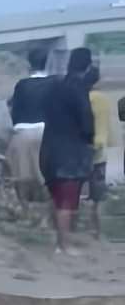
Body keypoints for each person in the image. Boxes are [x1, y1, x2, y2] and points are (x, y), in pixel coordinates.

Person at [40, 47, 96, 255]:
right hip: (69, 153)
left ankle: (57, 243)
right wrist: (90, 142)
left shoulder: (55, 87)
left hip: (48, 149)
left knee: (57, 198)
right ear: (87, 65)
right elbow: (87, 124)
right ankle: (64, 246)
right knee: (67, 201)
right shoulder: (78, 88)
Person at [6, 47, 53, 205]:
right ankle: (50, 215)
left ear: (28, 65)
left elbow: (11, 108)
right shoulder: (55, 83)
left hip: (23, 134)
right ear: (48, 63)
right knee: (49, 178)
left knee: (22, 178)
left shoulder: (22, 85)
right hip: (48, 134)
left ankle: (26, 213)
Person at [87, 63, 114, 240]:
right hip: (100, 151)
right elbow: (107, 126)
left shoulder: (83, 98)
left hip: (82, 151)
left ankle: (78, 230)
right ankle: (98, 232)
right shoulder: (104, 99)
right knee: (97, 195)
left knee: (75, 191)